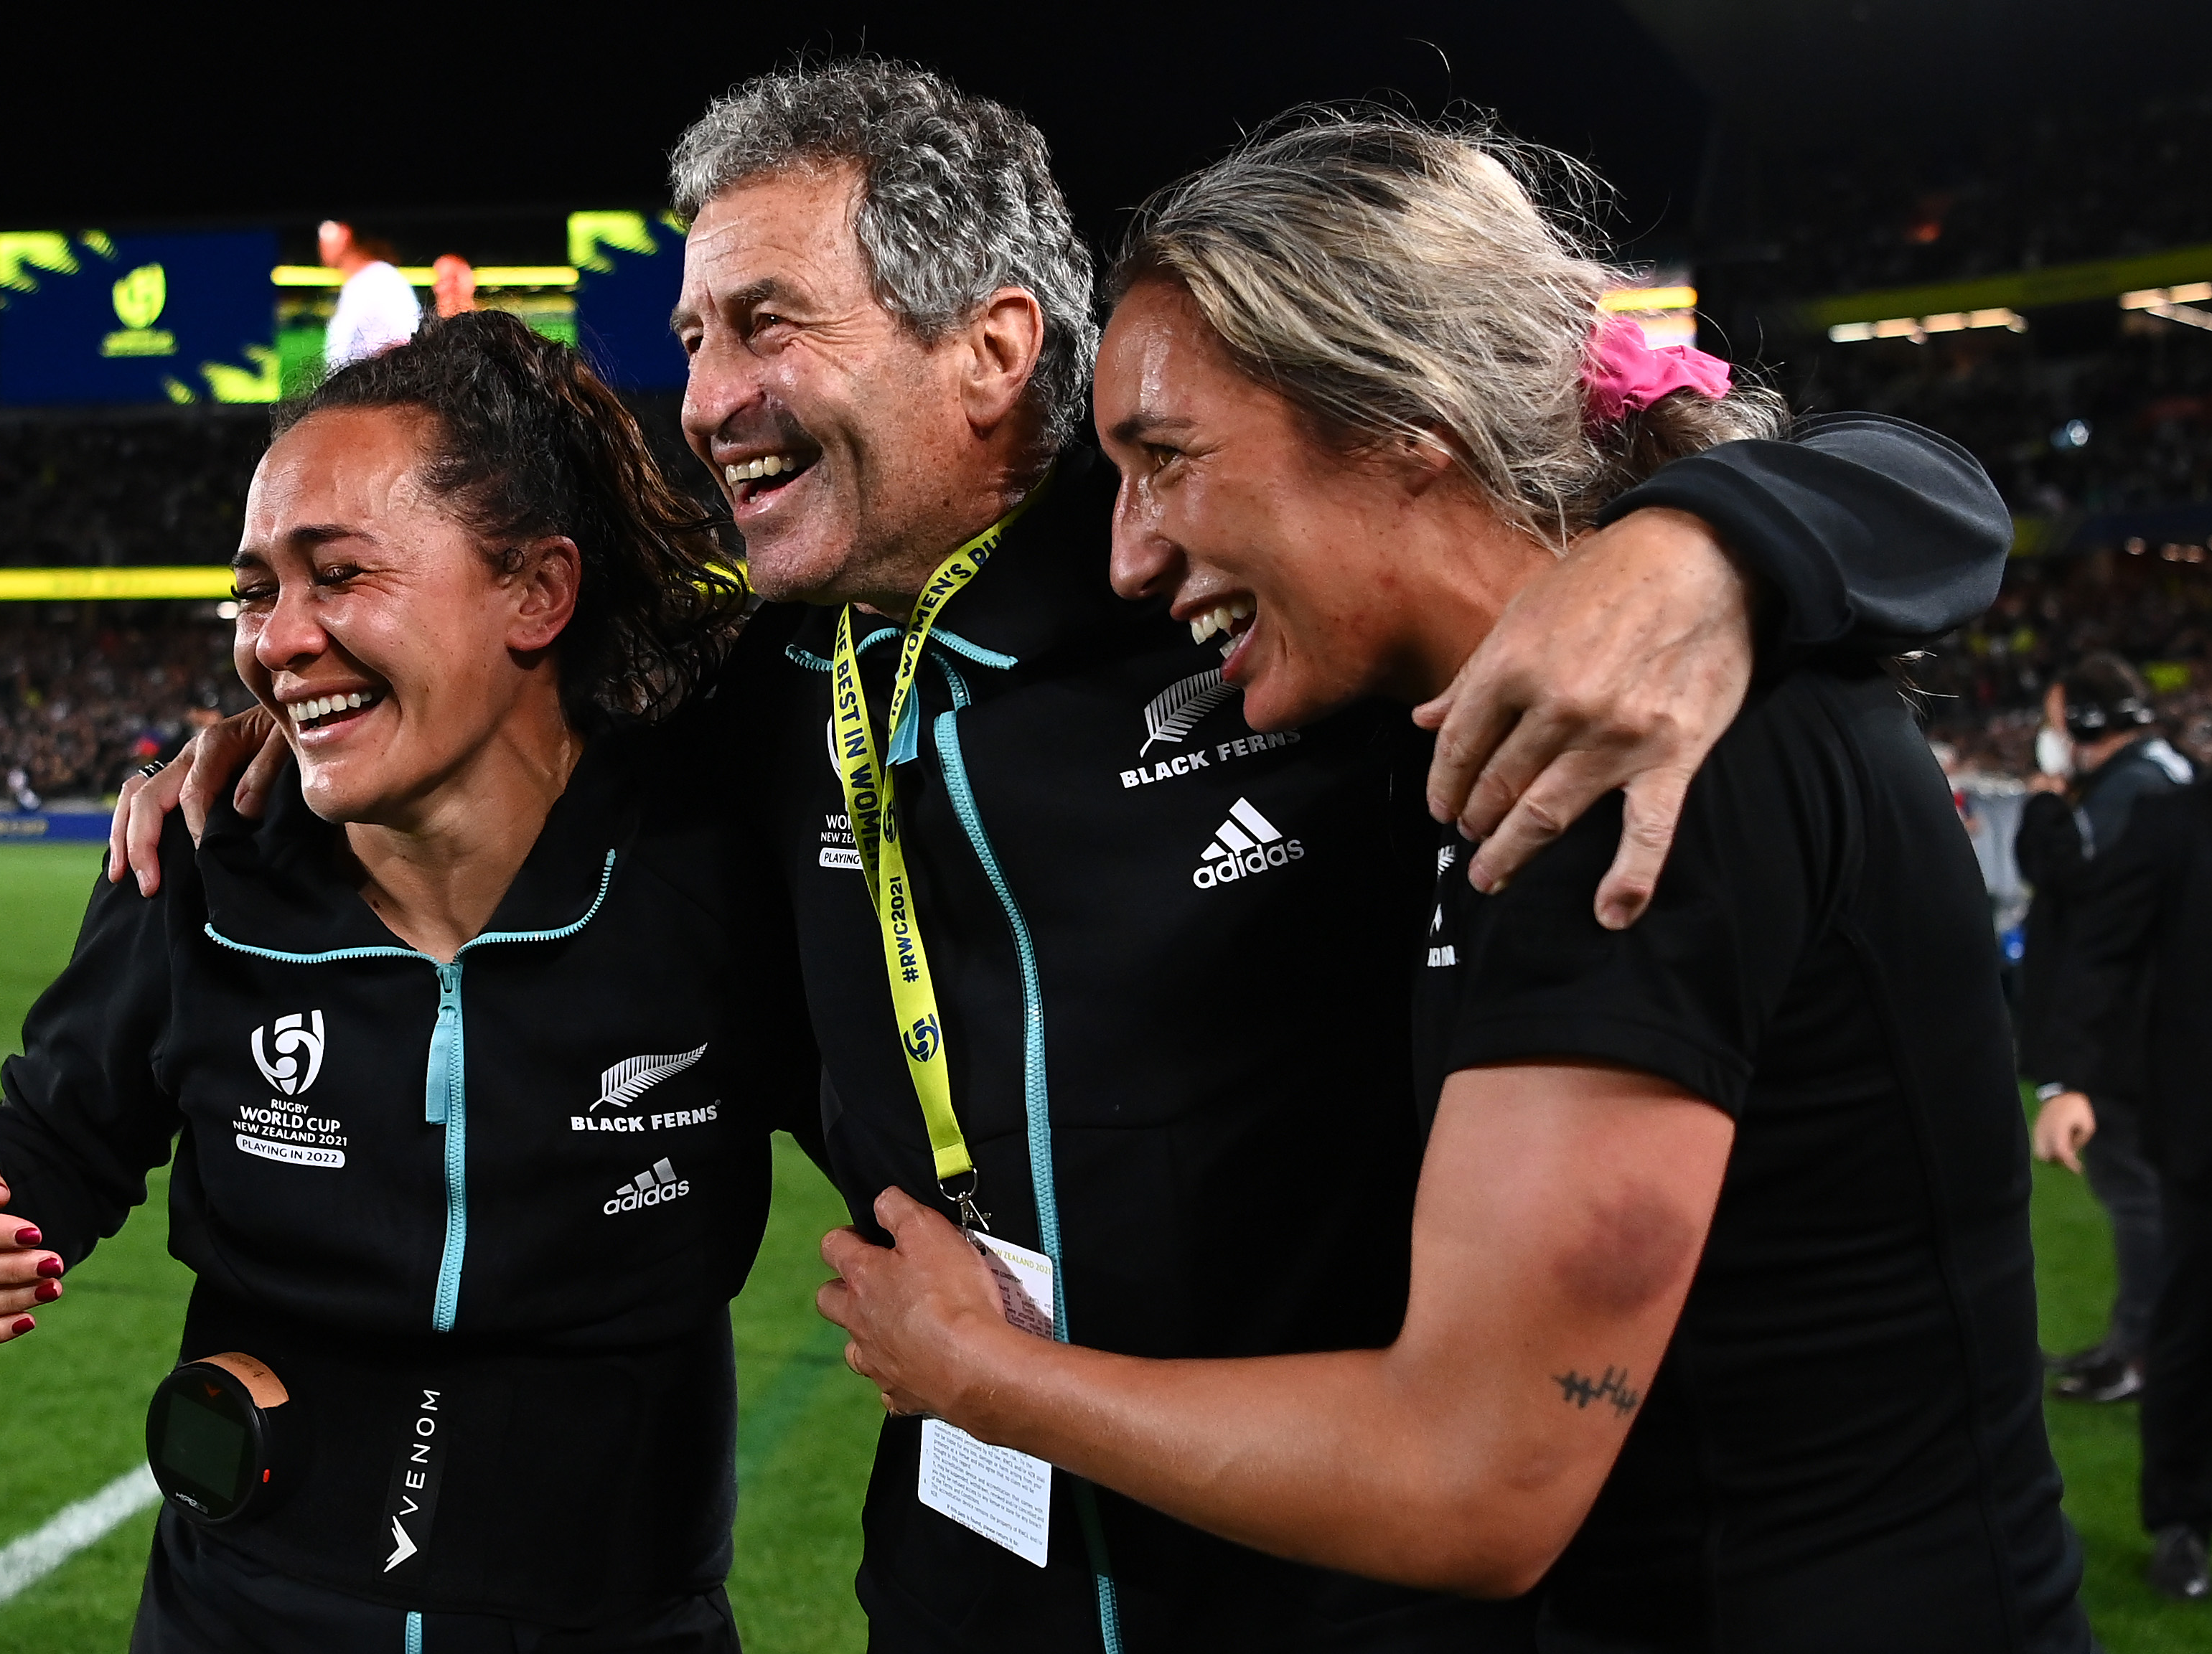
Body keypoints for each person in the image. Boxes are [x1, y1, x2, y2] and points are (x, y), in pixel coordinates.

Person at [121, 60, 2020, 1652]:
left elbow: (1864, 482)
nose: (703, 397)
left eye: (768, 323)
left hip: (1328, 1591)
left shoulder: (1250, 586)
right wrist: (284, 723)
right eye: (692, 338)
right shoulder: (752, 693)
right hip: (968, 1582)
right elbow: (472, 705)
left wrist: (1707, 543)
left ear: (992, 348)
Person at [819, 111, 2091, 1654]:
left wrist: (981, 1375)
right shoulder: (1480, 718)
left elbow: (1475, 1482)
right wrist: (1728, 535)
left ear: (1401, 423)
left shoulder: (1627, 756)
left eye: (1167, 462)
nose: (1129, 558)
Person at [0, 313, 812, 1651]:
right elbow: (56, 1133)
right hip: (239, 1616)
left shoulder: (711, 874)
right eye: (255, 591)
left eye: (338, 575)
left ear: (537, 593)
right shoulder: (201, 860)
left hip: (611, 1622)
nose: (277, 640)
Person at [2035, 775, 2212, 1602]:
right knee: (2190, 1326)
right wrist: (2066, 1080)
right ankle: (2183, 1520)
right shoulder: (2172, 822)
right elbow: (2101, 952)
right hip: (2200, 1130)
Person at [2020, 652, 2193, 1402]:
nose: (2052, 736)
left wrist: (2043, 807)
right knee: (2143, 1193)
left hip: (2132, 1034)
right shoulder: (2154, 779)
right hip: (2145, 1029)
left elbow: (2082, 893)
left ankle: (2143, 1352)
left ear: (2089, 721)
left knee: (2139, 1196)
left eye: (2057, 721)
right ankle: (2134, 1342)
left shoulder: (2137, 788)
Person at [321, 219, 421, 369]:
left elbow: (407, 342)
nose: (321, 242)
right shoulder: (358, 283)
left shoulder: (383, 279)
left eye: (327, 231)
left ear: (346, 234)